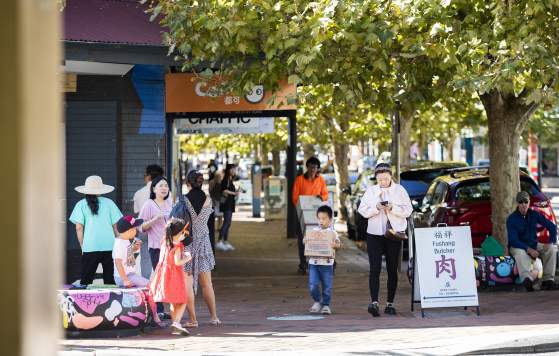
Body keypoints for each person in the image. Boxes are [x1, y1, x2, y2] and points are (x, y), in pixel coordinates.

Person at [357, 163, 412, 317]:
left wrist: (393, 208)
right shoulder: (371, 191)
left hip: (394, 234)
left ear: (391, 176)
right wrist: (376, 207)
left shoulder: (399, 190)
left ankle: (390, 303)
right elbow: (362, 210)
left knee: (392, 269)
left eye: (386, 179)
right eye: (380, 180)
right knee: (374, 268)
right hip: (374, 234)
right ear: (376, 178)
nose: (383, 182)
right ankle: (374, 302)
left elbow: (408, 210)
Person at [173, 170, 221, 327]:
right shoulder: (207, 199)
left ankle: (193, 319)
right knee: (207, 284)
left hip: (187, 243)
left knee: (187, 283)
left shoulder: (183, 200)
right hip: (204, 243)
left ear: (188, 183)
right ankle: (214, 317)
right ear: (201, 182)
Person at [69, 175, 123, 285]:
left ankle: (84, 302)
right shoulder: (109, 203)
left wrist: (82, 245)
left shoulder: (80, 205)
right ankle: (111, 300)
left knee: (86, 280)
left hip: (90, 245)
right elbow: (116, 226)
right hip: (109, 245)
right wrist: (119, 242)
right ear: (101, 190)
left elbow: (78, 227)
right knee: (109, 279)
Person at [113, 215, 162, 326]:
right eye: (134, 229)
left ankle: (152, 316)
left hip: (130, 275)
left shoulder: (124, 240)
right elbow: (118, 262)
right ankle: (155, 317)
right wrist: (125, 280)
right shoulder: (119, 244)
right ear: (129, 231)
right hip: (125, 277)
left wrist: (134, 249)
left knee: (148, 288)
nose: (136, 231)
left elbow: (128, 261)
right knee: (150, 286)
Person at [507, 191, 558, 291]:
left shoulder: (535, 214)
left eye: (526, 201)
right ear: (517, 203)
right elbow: (513, 240)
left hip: (533, 244)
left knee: (551, 248)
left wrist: (552, 241)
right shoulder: (511, 219)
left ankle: (548, 281)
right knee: (521, 253)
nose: (523, 204)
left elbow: (552, 226)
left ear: (529, 202)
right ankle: (527, 280)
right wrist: (529, 249)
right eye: (521, 202)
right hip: (518, 246)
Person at [149, 218, 192, 336]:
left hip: (163, 275)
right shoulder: (177, 246)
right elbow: (177, 262)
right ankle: (176, 323)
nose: (185, 234)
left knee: (174, 302)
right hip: (174, 276)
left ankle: (175, 324)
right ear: (179, 233)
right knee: (183, 300)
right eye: (184, 232)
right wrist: (188, 257)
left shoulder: (164, 241)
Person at [139, 175, 173, 316]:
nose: (164, 188)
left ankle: (173, 309)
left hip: (171, 247)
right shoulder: (148, 204)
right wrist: (155, 219)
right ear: (154, 188)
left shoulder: (170, 202)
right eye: (161, 186)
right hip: (156, 248)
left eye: (166, 185)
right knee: (160, 277)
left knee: (171, 278)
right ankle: (159, 310)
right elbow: (141, 227)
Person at [292, 157, 329, 275]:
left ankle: (316, 264)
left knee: (317, 240)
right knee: (303, 240)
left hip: (317, 215)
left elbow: (325, 194)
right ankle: (303, 264)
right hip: (302, 214)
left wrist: (321, 198)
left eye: (315, 167)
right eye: (311, 167)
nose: (313, 169)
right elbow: (295, 197)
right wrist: (304, 203)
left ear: (318, 169)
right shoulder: (299, 180)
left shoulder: (321, 180)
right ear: (307, 167)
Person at [304, 205, 341, 315]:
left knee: (327, 286)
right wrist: (305, 240)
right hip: (314, 263)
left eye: (324, 219)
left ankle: (326, 305)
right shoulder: (313, 231)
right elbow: (305, 240)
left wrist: (335, 245)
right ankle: (317, 301)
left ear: (330, 220)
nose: (321, 221)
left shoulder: (333, 233)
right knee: (313, 284)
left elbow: (338, 244)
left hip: (327, 264)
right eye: (319, 218)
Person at [133, 164, 164, 279]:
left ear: (148, 177)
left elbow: (137, 212)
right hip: (161, 230)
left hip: (144, 228)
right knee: (162, 256)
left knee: (145, 257)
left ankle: (146, 283)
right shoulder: (166, 192)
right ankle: (160, 282)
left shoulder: (139, 193)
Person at [217, 163, 239, 251]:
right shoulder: (226, 179)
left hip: (230, 203)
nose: (234, 171)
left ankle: (225, 241)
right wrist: (234, 193)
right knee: (226, 222)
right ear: (229, 170)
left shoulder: (230, 179)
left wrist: (236, 191)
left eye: (235, 169)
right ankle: (219, 241)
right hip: (226, 204)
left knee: (228, 222)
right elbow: (224, 190)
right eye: (233, 169)